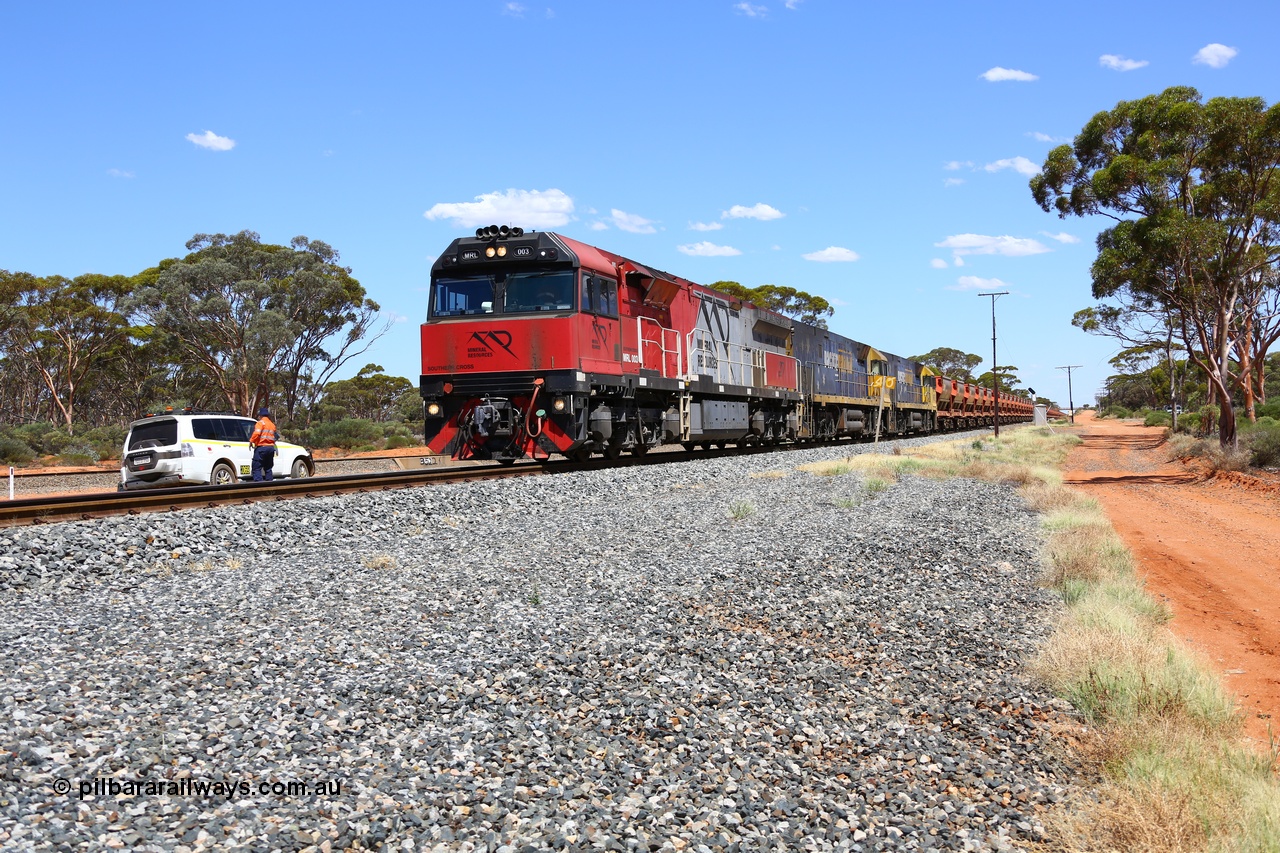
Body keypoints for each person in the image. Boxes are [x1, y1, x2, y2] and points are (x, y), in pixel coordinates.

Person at [250, 407, 278, 481]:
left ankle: (259, 487)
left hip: (261, 448)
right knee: (268, 468)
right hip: (271, 448)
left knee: (256, 468)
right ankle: (269, 488)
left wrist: (251, 441)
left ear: (260, 415)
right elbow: (275, 436)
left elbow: (257, 433)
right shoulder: (272, 425)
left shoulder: (260, 423)